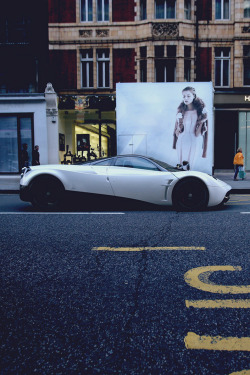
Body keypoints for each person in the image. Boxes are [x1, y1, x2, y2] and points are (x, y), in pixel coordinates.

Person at [173, 87, 208, 169]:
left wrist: (204, 118)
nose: (185, 98)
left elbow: (204, 132)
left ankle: (189, 178)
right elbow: (177, 131)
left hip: (194, 138)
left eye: (188, 96)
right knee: (180, 163)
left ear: (194, 96)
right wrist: (178, 122)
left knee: (191, 163)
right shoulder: (181, 110)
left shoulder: (201, 110)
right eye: (184, 96)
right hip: (182, 139)